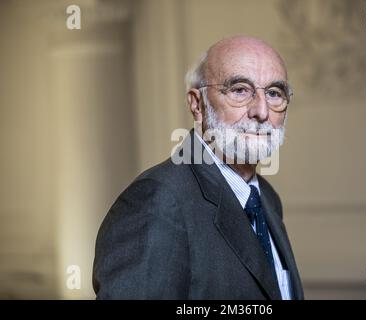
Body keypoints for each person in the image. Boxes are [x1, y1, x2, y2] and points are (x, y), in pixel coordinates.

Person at [93, 36, 304, 300]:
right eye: (240, 90)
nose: (261, 111)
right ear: (197, 104)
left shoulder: (267, 199)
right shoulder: (157, 200)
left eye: (274, 93)